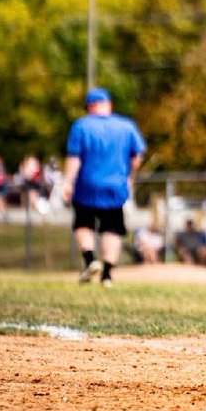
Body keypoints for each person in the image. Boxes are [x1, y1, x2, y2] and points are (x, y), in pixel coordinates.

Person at [62, 87, 145, 287]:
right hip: (116, 185)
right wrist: (128, 175)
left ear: (90, 106)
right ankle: (107, 275)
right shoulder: (126, 126)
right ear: (109, 104)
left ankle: (90, 260)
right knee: (112, 228)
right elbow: (137, 157)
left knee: (84, 224)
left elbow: (74, 158)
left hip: (86, 185)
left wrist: (67, 182)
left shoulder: (81, 126)